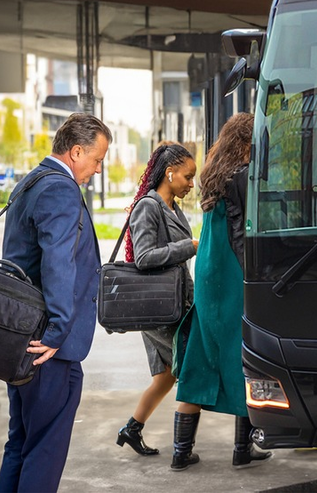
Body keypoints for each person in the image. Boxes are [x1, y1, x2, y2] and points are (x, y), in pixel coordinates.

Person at [0, 112, 112, 493]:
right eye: (96, 159)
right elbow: (57, 262)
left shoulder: (30, 182)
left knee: (22, 441)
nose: (96, 169)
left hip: (21, 336)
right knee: (44, 448)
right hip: (47, 346)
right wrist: (58, 332)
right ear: (76, 151)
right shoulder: (60, 189)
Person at [172, 112, 272, 470]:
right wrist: (256, 276)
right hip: (231, 269)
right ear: (247, 142)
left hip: (209, 269)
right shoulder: (244, 176)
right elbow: (242, 233)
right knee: (240, 357)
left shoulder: (212, 174)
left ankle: (180, 451)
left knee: (200, 356)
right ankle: (242, 450)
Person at [116, 142, 198, 455]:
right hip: (158, 307)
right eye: (188, 177)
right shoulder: (148, 207)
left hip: (169, 302)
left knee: (167, 377)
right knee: (191, 368)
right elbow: (145, 257)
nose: (191, 183)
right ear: (170, 172)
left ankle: (131, 430)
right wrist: (188, 246)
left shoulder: (171, 207)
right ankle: (183, 450)